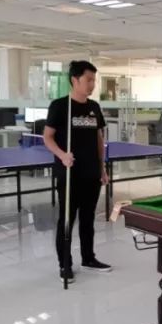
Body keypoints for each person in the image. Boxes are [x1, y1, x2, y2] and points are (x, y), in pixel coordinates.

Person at [43, 60, 111, 284]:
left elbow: (99, 139)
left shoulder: (94, 107)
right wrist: (62, 155)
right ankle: (65, 264)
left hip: (91, 173)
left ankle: (88, 258)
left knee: (88, 219)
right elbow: (47, 137)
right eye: (88, 80)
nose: (92, 84)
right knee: (67, 220)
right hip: (69, 173)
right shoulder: (60, 106)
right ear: (75, 80)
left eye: (94, 80)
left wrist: (102, 168)